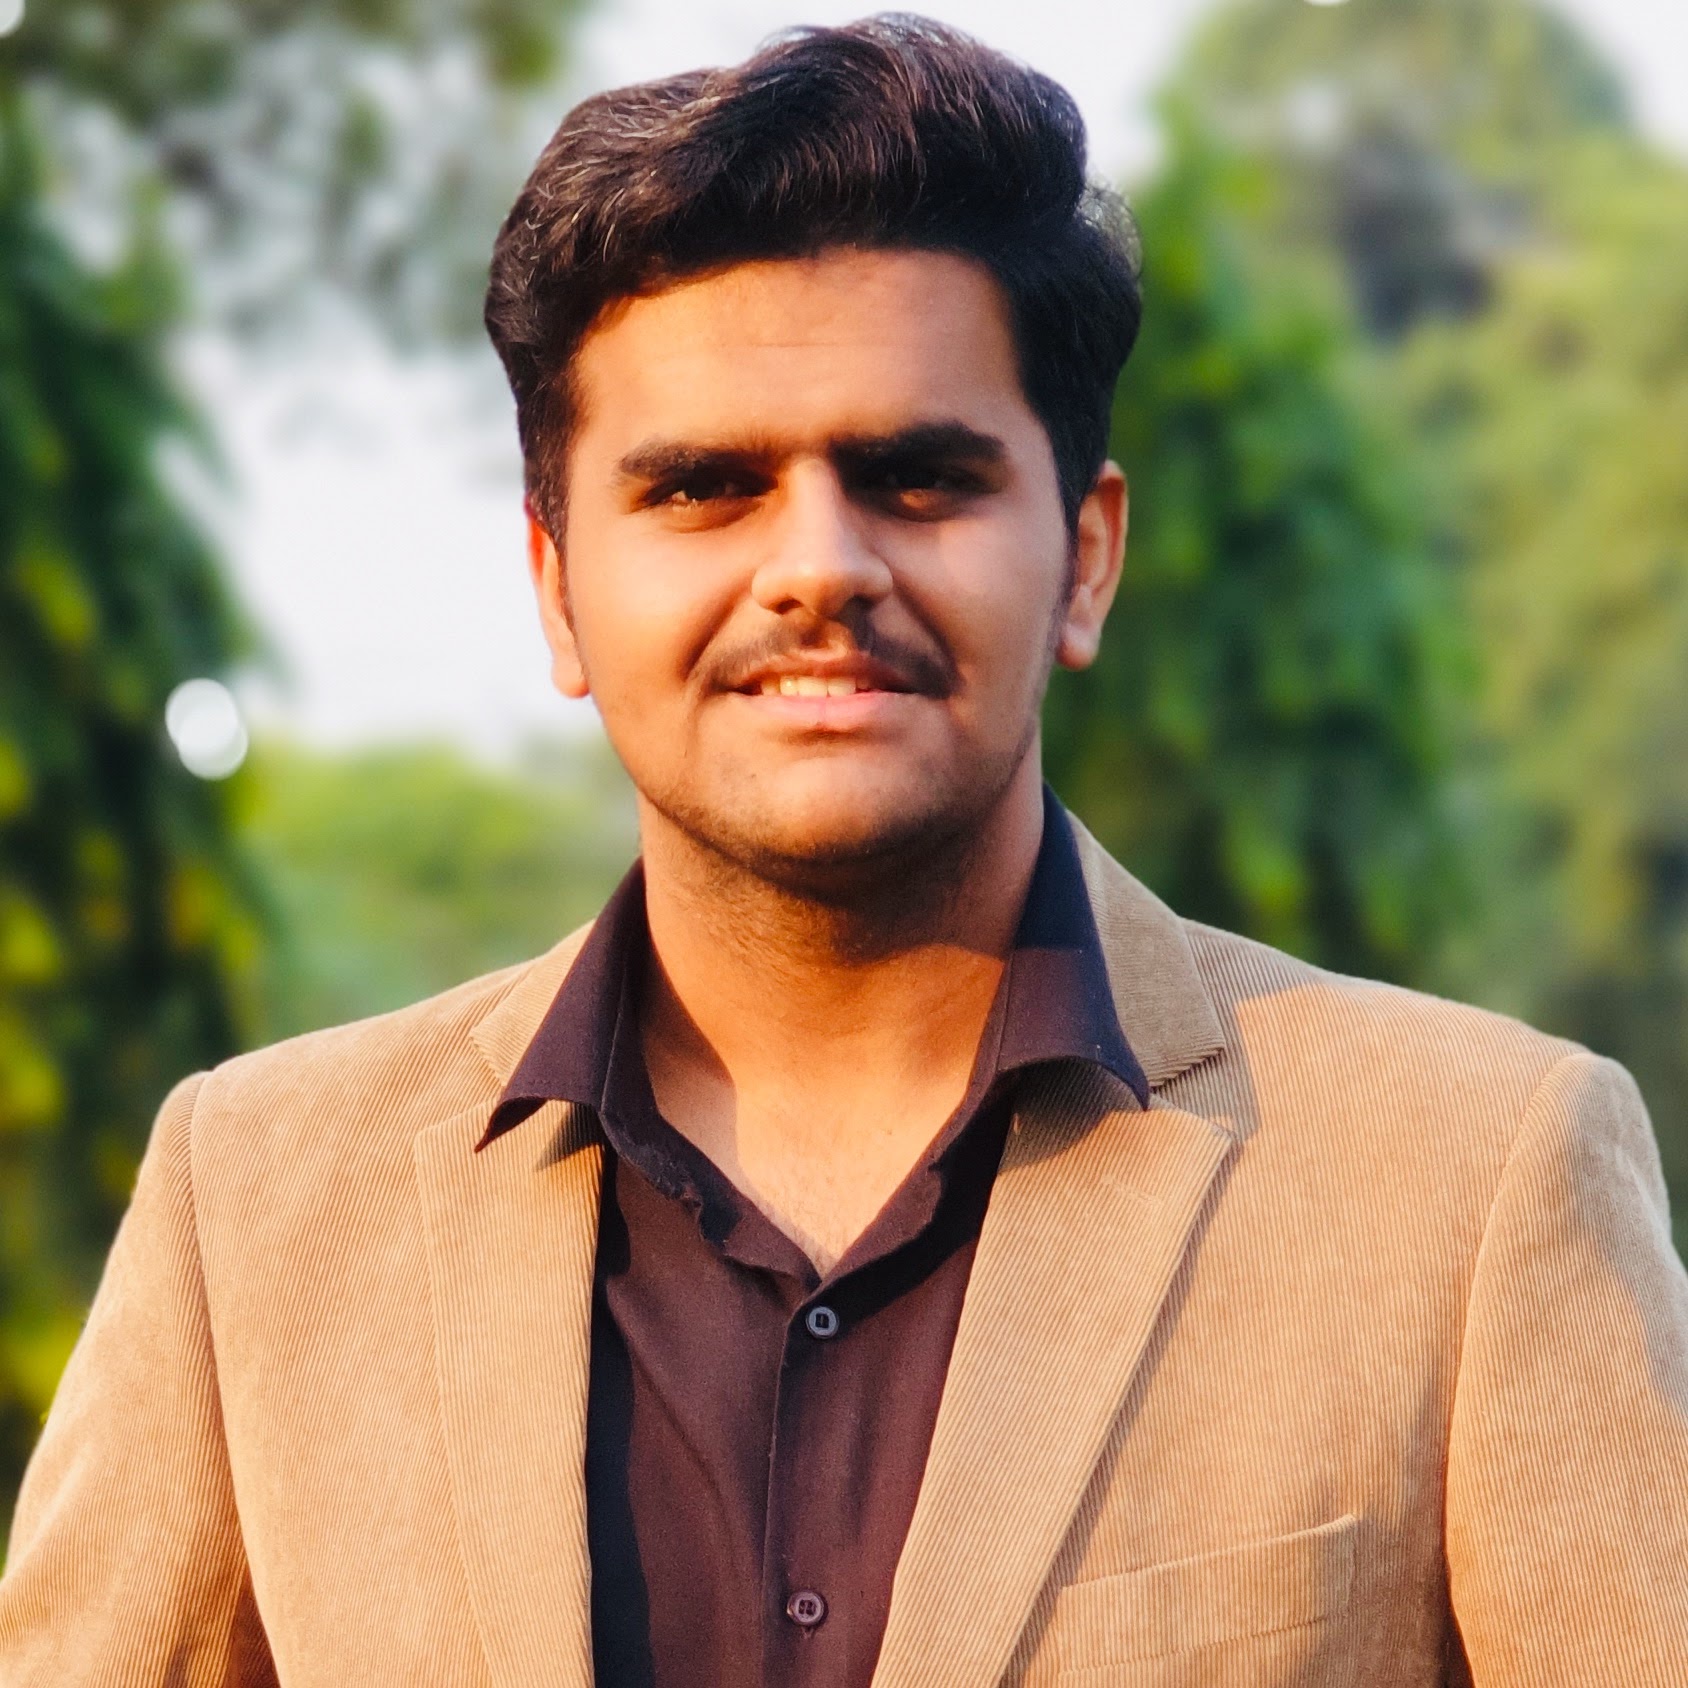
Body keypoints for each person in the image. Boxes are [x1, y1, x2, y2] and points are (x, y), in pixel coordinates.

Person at [3, 15, 1685, 1686]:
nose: (818, 565)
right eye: (703, 488)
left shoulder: (1478, 1176)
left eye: (918, 478)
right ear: (557, 588)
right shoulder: (263, 1204)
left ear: (1087, 556)